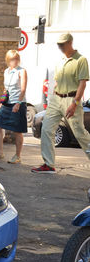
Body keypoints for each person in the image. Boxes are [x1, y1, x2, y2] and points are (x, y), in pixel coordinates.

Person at [32, 33, 90, 173]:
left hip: (71, 99)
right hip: (56, 99)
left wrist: (75, 103)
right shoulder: (60, 61)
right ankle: (49, 164)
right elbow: (57, 81)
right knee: (46, 129)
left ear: (70, 42)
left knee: (79, 132)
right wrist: (52, 97)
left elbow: (82, 84)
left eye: (62, 44)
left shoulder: (80, 60)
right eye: (59, 45)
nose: (60, 47)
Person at [0, 50, 28, 164]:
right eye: (12, 59)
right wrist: (1, 104)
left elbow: (23, 89)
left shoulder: (22, 71)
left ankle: (17, 156)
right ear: (8, 60)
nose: (15, 61)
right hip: (7, 104)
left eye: (16, 58)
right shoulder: (6, 71)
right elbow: (5, 90)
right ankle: (0, 153)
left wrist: (18, 103)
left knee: (17, 131)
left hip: (18, 103)